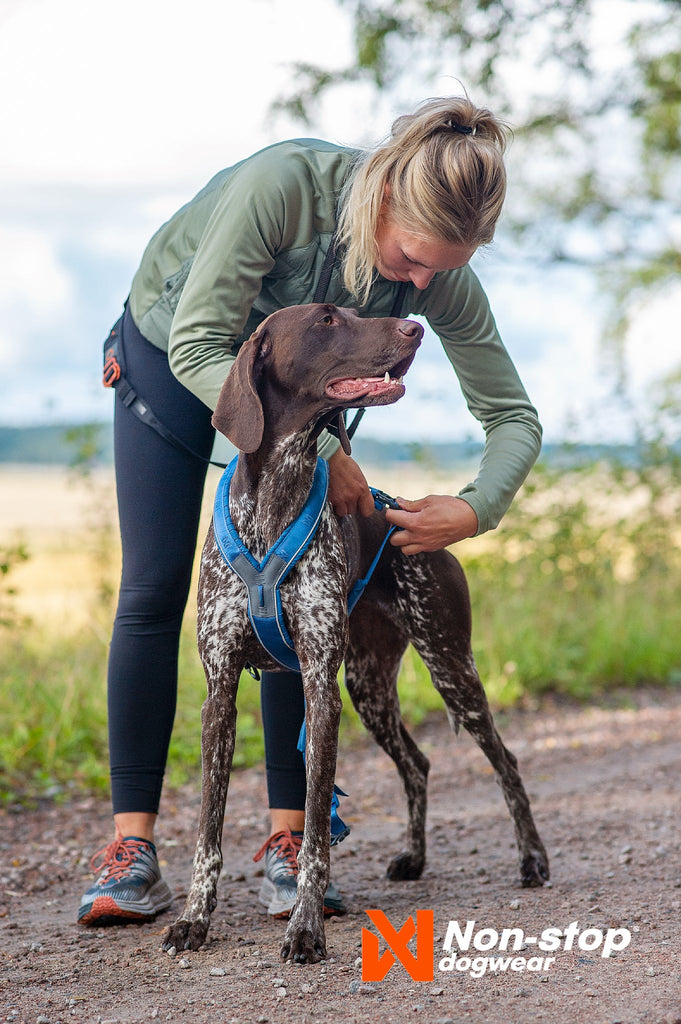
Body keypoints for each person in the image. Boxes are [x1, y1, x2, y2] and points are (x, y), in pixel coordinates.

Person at [78, 94, 542, 926]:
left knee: (301, 587)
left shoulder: (438, 276)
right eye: (410, 262)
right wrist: (329, 455)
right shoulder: (284, 186)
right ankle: (132, 853)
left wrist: (475, 510)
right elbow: (198, 343)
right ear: (385, 200)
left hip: (300, 404)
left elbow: (513, 416)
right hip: (176, 355)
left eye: (443, 269)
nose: (423, 285)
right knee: (152, 589)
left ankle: (289, 842)